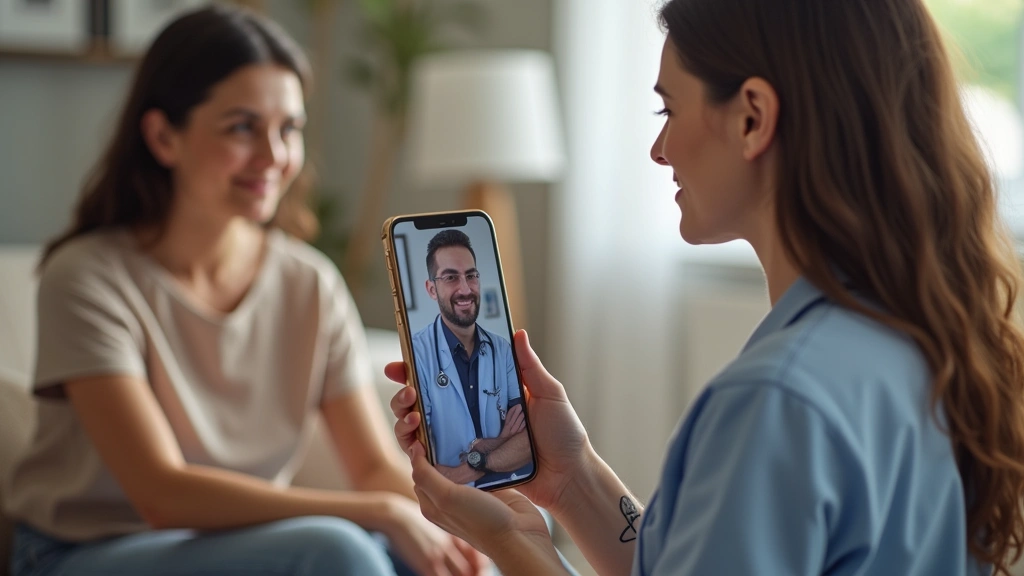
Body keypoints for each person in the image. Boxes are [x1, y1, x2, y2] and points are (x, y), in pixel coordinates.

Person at [386, 0, 1024, 574]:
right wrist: (571, 478)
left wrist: (509, 541)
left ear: (752, 118)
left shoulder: (774, 400)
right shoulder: (912, 343)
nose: (658, 149)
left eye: (668, 109)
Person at [1, 6, 485, 576]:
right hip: (83, 553)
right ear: (163, 137)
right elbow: (162, 494)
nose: (274, 156)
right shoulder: (87, 278)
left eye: (289, 129)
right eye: (241, 128)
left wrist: (474, 530)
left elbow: (373, 470)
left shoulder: (310, 283)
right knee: (340, 550)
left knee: (479, 543)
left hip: (256, 546)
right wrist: (379, 513)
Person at [410, 230, 533, 488]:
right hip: (455, 497)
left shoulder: (503, 349)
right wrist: (502, 441)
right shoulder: (418, 353)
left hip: (512, 486)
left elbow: (527, 442)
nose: (465, 289)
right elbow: (425, 456)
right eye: (451, 277)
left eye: (471, 275)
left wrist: (474, 461)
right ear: (432, 289)